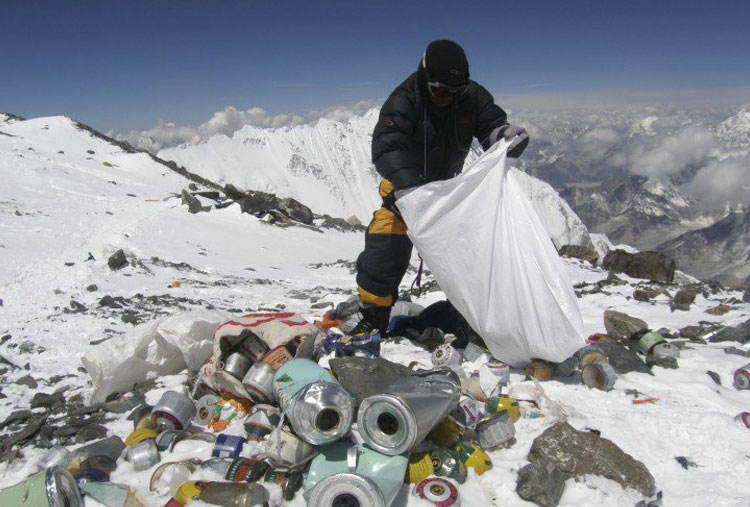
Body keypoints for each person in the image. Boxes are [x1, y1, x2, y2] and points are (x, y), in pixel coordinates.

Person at [352, 39, 529, 334]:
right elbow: (387, 146)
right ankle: (374, 317)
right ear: (425, 77)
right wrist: (409, 188)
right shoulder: (405, 100)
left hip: (448, 195)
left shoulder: (472, 96)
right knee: (384, 251)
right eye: (440, 90)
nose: (447, 97)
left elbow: (490, 125)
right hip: (403, 195)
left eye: (455, 91)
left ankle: (470, 317)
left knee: (472, 256)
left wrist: (504, 135)